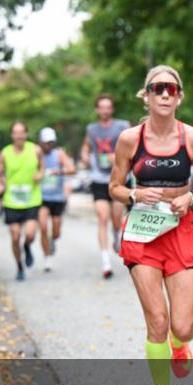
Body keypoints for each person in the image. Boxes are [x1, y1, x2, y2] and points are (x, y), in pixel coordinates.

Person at [110, 66, 193, 385]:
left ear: (179, 97)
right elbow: (115, 187)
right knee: (157, 320)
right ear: (147, 95)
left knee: (181, 326)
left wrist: (192, 197)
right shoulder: (129, 139)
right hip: (142, 233)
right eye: (158, 89)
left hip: (180, 229)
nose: (165, 94)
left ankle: (180, 344)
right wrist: (135, 194)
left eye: (171, 89)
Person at [82, 94, 130, 278]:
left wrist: (117, 156)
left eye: (108, 107)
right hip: (98, 179)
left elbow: (133, 146)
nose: (105, 110)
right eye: (101, 107)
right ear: (97, 109)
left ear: (112, 109)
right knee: (102, 217)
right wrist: (85, 155)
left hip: (118, 178)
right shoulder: (92, 129)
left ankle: (117, 235)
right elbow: (86, 146)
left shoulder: (122, 126)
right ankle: (105, 262)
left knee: (116, 220)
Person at [0, 122, 44, 281]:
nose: (19, 136)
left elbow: (42, 168)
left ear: (26, 134)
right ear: (12, 135)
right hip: (12, 201)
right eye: (16, 133)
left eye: (22, 132)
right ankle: (19, 266)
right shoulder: (5, 153)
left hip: (31, 199)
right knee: (15, 236)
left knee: (30, 234)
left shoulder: (35, 150)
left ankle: (27, 246)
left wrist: (40, 175)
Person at [37, 127, 75, 272]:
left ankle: (53, 240)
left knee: (56, 231)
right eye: (46, 142)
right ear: (40, 142)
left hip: (57, 198)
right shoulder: (36, 154)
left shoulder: (59, 154)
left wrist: (59, 172)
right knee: (43, 227)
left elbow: (71, 169)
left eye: (51, 142)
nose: (49, 145)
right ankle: (47, 259)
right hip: (41, 198)